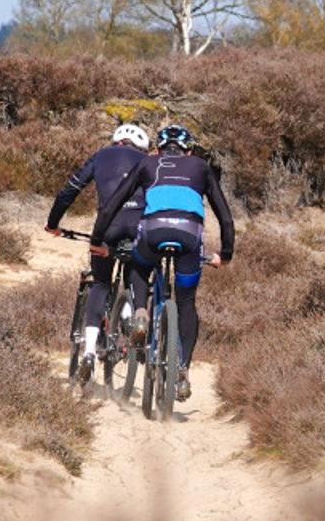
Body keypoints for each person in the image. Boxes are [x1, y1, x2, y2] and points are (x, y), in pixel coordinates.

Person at [91, 124, 234, 401]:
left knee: (140, 264)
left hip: (153, 233)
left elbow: (112, 205)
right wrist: (225, 254)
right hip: (189, 237)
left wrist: (98, 239)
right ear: (189, 150)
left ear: (157, 149)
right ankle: (182, 372)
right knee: (186, 303)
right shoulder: (201, 167)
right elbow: (225, 217)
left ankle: (142, 313)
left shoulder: (148, 164)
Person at [45, 123, 151, 365]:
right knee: (136, 274)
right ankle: (132, 316)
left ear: (116, 141)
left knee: (101, 284)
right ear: (143, 146)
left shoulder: (101, 156)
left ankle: (90, 352)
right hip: (140, 227)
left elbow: (69, 190)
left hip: (107, 227)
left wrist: (53, 223)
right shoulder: (148, 162)